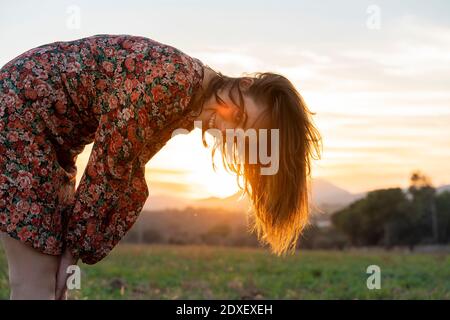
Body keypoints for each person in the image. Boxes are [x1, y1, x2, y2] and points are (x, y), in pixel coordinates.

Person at [0, 34, 322, 299]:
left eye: (240, 136)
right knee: (37, 283)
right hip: (22, 118)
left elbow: (125, 171)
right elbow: (110, 166)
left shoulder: (189, 96)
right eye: (238, 119)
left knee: (51, 283)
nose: (226, 131)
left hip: (50, 139)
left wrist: (74, 249)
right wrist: (74, 251)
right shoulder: (175, 83)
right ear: (248, 84)